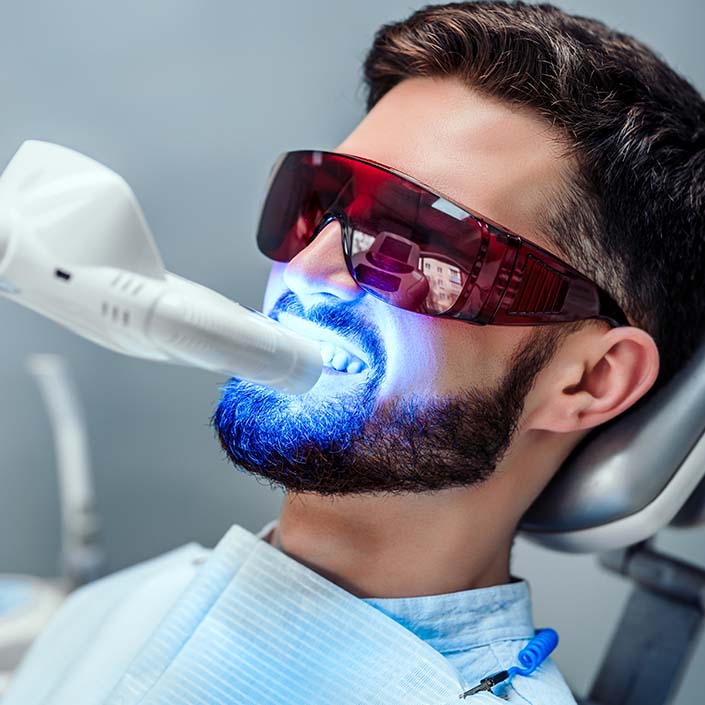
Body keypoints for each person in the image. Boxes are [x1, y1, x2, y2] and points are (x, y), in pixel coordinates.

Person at [4, 2, 704, 704]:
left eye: (414, 243)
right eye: (318, 205)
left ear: (588, 379)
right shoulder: (126, 605)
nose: (306, 268)